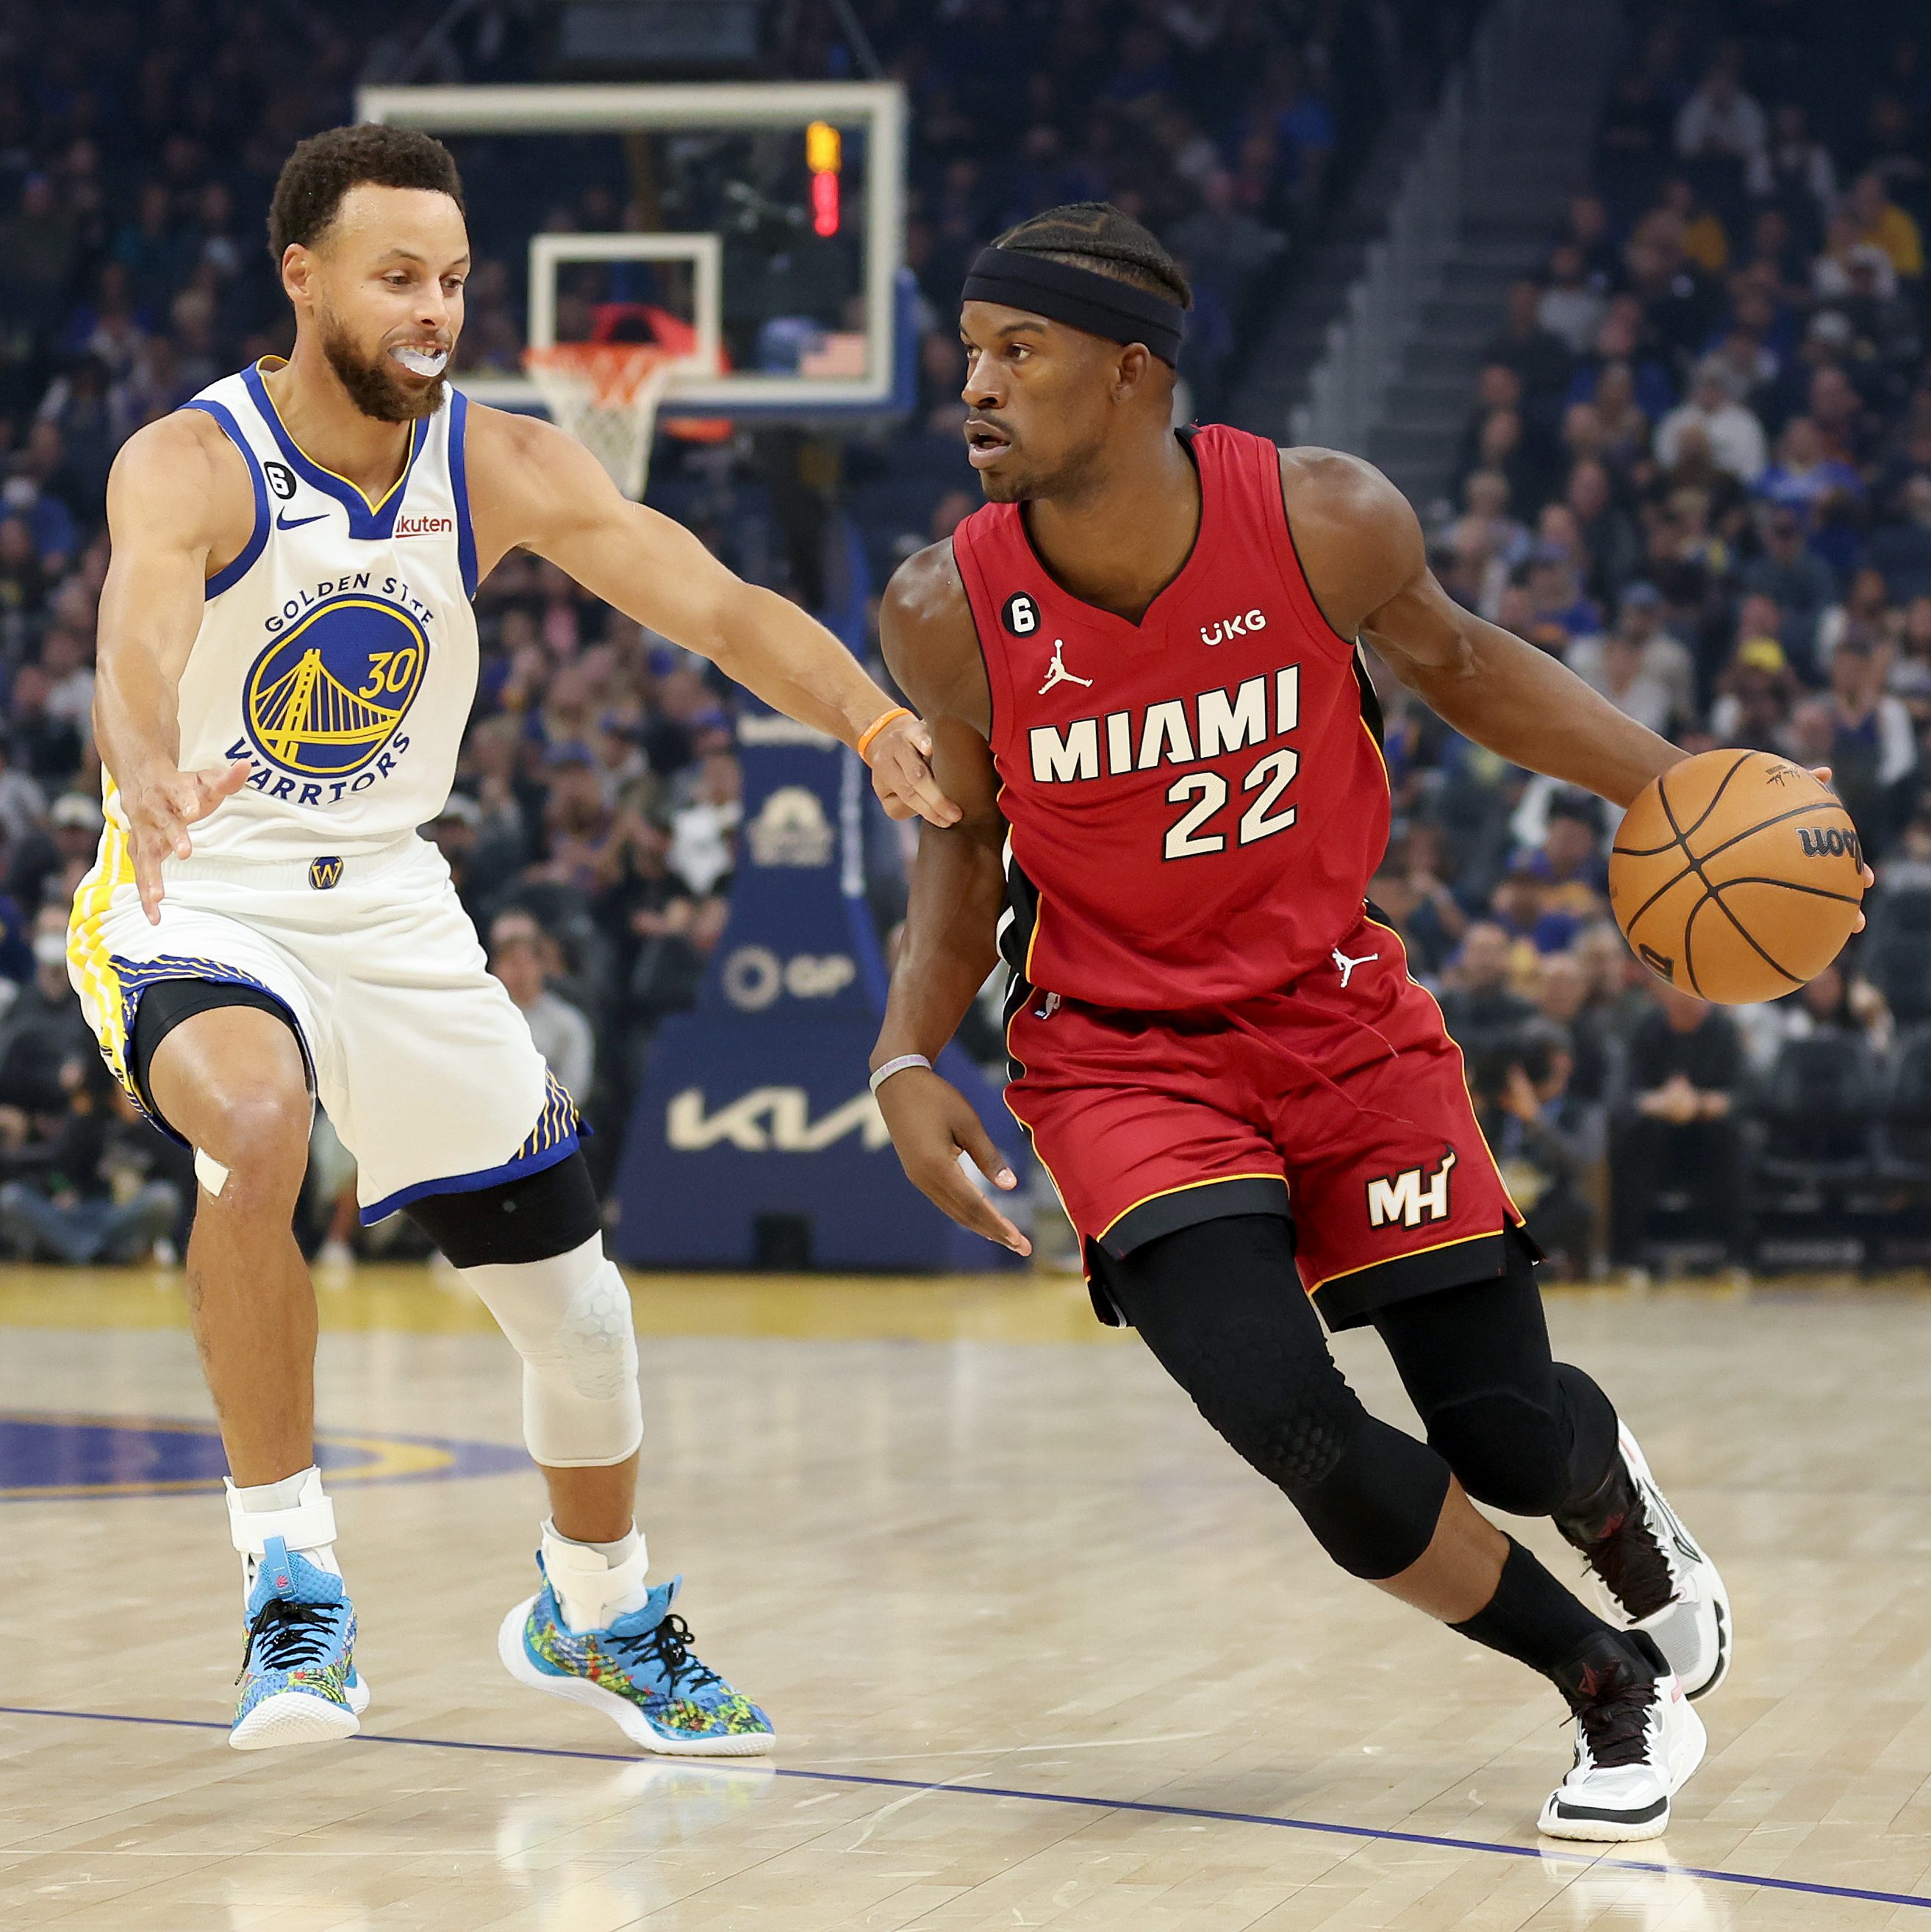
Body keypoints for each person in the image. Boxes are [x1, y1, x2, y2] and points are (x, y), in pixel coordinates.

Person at [73, 126, 956, 1756]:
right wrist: (141, 760)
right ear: (305, 277)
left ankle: (599, 1610)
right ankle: (292, 1579)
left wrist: (866, 713)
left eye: (455, 281)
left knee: (583, 1317)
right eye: (398, 277)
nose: (435, 310)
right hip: (203, 878)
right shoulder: (189, 461)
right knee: (256, 1126)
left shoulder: (504, 463)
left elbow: (716, 604)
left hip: (397, 898)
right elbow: (136, 634)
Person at [872, 201, 1732, 1843]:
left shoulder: (1322, 517)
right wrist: (906, 1057)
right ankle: (1604, 1687)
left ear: (1132, 376)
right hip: (1119, 1061)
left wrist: (1673, 787)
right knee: (1295, 1428)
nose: (974, 387)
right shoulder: (944, 607)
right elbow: (963, 846)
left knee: (1506, 1440)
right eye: (971, 353)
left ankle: (1609, 1503)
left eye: (1017, 353)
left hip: (1344, 1027)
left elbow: (1469, 668)